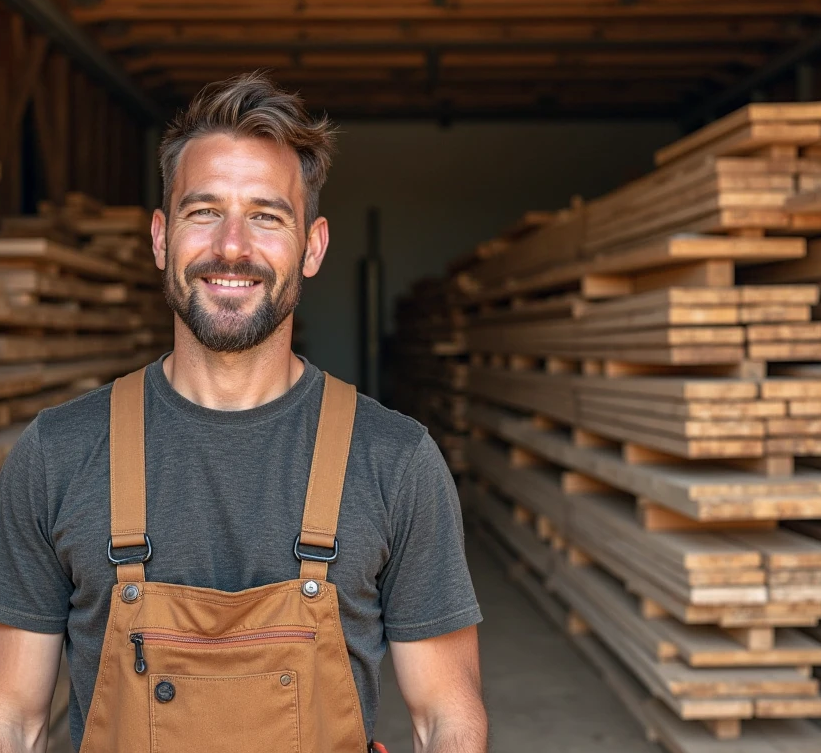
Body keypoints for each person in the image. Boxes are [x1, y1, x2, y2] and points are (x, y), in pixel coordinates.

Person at [0, 72, 486, 753]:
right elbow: (15, 719)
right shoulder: (58, 453)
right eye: (204, 211)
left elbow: (445, 718)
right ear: (160, 237)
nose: (232, 246)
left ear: (312, 246)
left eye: (266, 216)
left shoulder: (395, 460)